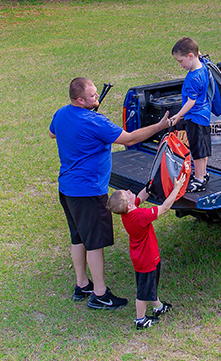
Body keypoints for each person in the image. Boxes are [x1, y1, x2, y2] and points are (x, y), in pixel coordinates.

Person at [49, 77, 173, 310]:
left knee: (78, 238)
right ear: (80, 100)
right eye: (92, 95)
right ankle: (99, 294)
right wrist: (160, 126)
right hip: (89, 192)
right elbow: (130, 138)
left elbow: (53, 134)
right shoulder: (96, 122)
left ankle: (82, 284)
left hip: (67, 188)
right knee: (94, 244)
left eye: (96, 93)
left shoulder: (61, 114)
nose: (97, 97)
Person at [108, 175, 185, 329]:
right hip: (147, 260)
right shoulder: (140, 216)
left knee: (150, 284)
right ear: (129, 205)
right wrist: (176, 188)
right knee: (142, 293)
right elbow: (165, 208)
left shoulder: (127, 212)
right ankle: (140, 320)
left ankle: (158, 306)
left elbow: (140, 198)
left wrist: (149, 187)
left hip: (142, 258)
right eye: (127, 193)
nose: (129, 191)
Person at [169, 37, 211, 192]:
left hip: (195, 117)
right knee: (203, 148)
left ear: (190, 56)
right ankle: (204, 174)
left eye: (181, 61)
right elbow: (198, 53)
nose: (180, 65)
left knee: (197, 150)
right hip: (204, 116)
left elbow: (190, 102)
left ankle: (199, 179)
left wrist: (178, 115)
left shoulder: (194, 78)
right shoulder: (203, 66)